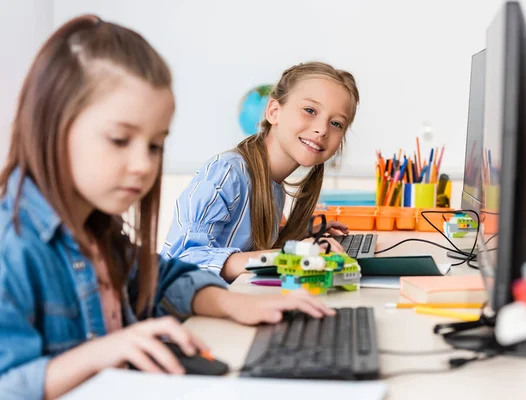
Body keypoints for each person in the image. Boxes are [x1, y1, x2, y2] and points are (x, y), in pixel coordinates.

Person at [0, 16, 333, 399]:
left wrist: (233, 304)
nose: (144, 165)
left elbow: (164, 275)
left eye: (155, 145)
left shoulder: (97, 232)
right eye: (120, 139)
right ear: (53, 125)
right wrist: (101, 354)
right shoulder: (13, 246)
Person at [162, 61, 359, 282]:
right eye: (310, 110)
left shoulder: (274, 187)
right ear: (274, 112)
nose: (322, 129)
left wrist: (302, 235)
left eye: (336, 123)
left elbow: (249, 245)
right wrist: (293, 255)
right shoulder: (228, 172)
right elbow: (186, 260)